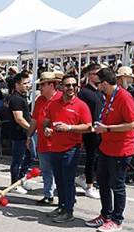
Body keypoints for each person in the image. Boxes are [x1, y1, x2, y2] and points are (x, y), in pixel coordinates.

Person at [87, 67, 134, 232]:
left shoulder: (124, 97)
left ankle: (117, 220)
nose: (98, 86)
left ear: (105, 83)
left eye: (99, 83)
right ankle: (105, 215)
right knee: (102, 183)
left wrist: (107, 128)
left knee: (117, 185)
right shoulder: (108, 96)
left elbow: (133, 124)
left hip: (121, 149)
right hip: (106, 147)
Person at [42, 74, 94, 223]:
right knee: (59, 180)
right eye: (67, 85)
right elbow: (47, 122)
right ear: (61, 87)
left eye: (73, 85)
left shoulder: (81, 105)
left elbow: (89, 127)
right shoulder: (53, 104)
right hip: (54, 148)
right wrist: (47, 129)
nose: (71, 87)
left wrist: (69, 127)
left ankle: (68, 211)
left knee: (68, 181)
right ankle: (61, 206)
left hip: (71, 148)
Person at [30, 71, 62, 204]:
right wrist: (29, 136)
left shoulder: (61, 98)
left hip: (58, 143)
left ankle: (64, 199)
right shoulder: (40, 100)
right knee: (46, 171)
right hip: (43, 141)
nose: (40, 88)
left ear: (51, 85)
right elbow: (34, 120)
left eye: (42, 85)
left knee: (60, 172)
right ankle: (48, 195)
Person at [0, 71, 32, 184]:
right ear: (17, 85)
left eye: (28, 83)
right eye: (25, 83)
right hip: (18, 134)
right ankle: (15, 183)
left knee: (30, 156)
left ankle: (21, 179)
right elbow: (19, 119)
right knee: (18, 160)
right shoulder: (16, 99)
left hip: (24, 133)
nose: (27, 85)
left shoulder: (22, 97)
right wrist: (31, 128)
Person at [79, 64, 104, 199]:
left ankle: (86, 178)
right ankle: (89, 185)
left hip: (100, 128)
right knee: (91, 157)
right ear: (89, 75)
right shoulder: (84, 92)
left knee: (97, 158)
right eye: (96, 73)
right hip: (90, 130)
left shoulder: (99, 91)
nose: (99, 76)